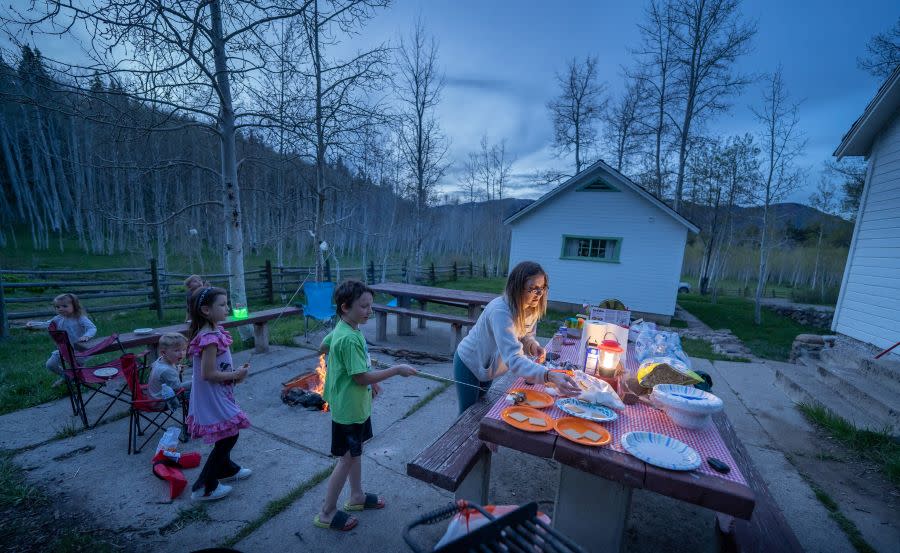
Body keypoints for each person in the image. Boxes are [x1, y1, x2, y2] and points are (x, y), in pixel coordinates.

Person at [313, 280, 417, 532]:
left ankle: (356, 496)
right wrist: (395, 370)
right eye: (364, 306)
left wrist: (365, 376)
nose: (370, 310)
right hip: (348, 410)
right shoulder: (348, 337)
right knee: (346, 459)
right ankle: (326, 512)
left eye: (371, 305)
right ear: (345, 306)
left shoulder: (345, 327)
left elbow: (324, 346)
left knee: (355, 453)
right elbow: (359, 377)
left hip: (353, 405)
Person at [454, 261, 580, 414]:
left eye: (542, 288)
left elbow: (524, 334)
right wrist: (549, 375)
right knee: (467, 415)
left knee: (480, 409)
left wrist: (531, 344)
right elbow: (513, 358)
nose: (539, 294)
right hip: (469, 362)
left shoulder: (529, 308)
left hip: (488, 368)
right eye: (533, 288)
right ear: (516, 287)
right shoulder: (500, 312)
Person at [186, 286, 251, 502]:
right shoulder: (209, 337)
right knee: (230, 434)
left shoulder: (214, 332)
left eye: (227, 304)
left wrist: (235, 376)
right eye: (222, 305)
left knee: (228, 434)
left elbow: (217, 368)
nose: (227, 308)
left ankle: (226, 468)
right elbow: (208, 373)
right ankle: (204, 487)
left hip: (218, 393)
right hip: (211, 396)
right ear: (206, 310)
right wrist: (235, 374)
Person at [26, 293, 97, 387]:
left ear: (74, 306)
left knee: (77, 368)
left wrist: (87, 336)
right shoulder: (58, 319)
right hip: (63, 349)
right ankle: (67, 377)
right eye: (57, 307)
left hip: (78, 350)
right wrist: (34, 324)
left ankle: (83, 381)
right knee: (50, 364)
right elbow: (47, 324)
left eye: (64, 306)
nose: (60, 309)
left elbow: (92, 328)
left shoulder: (79, 318)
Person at [148, 332, 191, 408]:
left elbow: (168, 373)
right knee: (197, 391)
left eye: (184, 350)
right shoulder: (166, 370)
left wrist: (177, 368)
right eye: (177, 350)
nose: (182, 353)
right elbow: (178, 388)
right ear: (163, 352)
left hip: (155, 396)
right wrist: (194, 383)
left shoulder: (161, 360)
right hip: (162, 401)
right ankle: (196, 417)